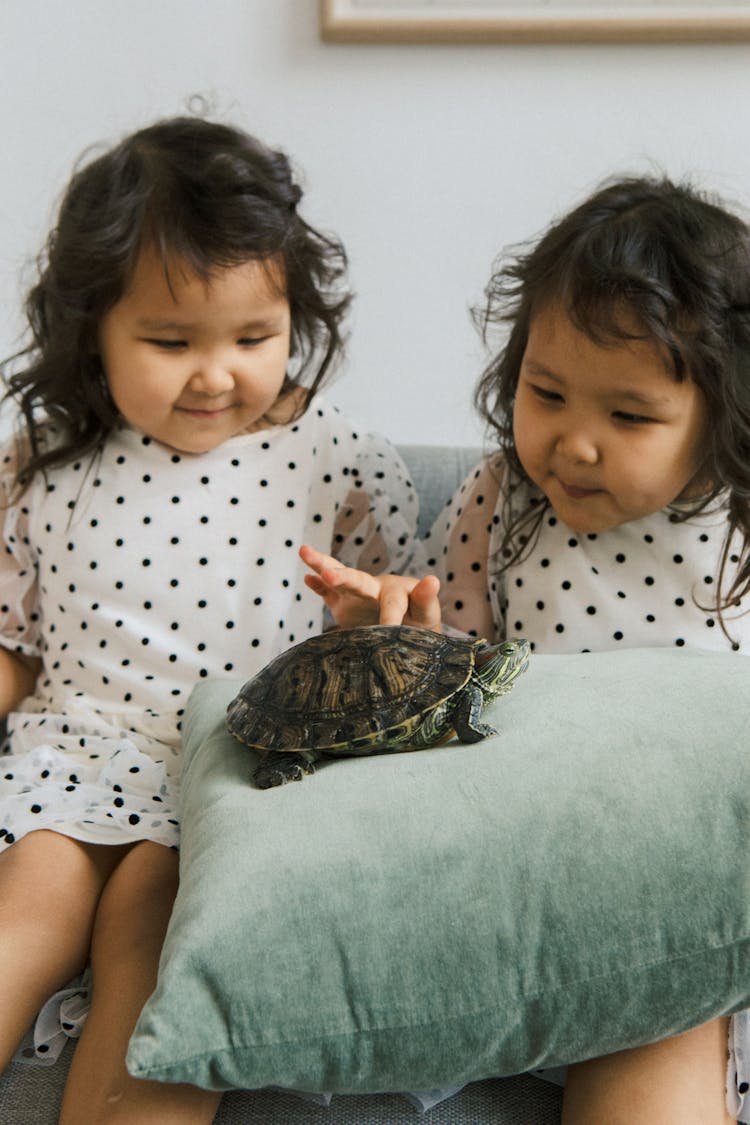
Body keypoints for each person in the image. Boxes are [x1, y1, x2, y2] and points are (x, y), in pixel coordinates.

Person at [302, 174, 750, 1125]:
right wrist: (395, 637)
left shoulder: (737, 529)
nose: (573, 445)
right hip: (534, 873)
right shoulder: (501, 504)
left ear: (724, 413)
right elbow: (453, 672)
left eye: (629, 417)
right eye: (546, 394)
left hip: (688, 893)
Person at [0, 114, 420, 1123]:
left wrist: (365, 630)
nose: (215, 373)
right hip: (73, 752)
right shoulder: (45, 463)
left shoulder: (342, 463)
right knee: (27, 910)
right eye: (169, 340)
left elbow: (383, 664)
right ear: (91, 329)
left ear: (296, 320)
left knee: (157, 944)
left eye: (252, 338)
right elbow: (13, 645)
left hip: (228, 774)